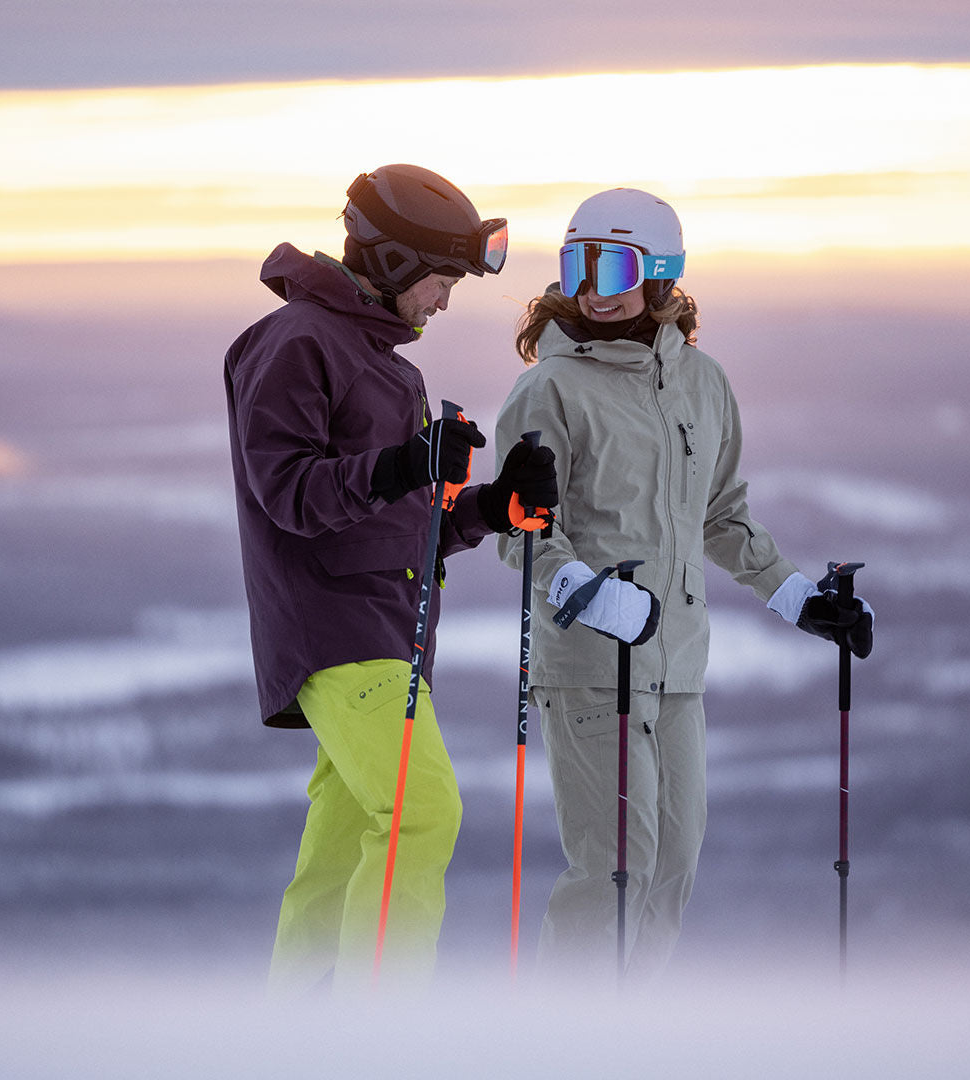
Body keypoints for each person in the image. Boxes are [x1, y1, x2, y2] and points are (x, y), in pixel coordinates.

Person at [493, 187, 872, 983]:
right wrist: (583, 593)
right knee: (613, 868)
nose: (594, 287)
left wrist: (800, 598)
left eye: (614, 264)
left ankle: (632, 1038)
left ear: (662, 275)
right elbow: (522, 529)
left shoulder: (702, 383)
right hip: (594, 664)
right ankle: (561, 1043)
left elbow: (723, 516)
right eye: (578, 265)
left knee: (672, 868)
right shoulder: (549, 390)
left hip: (677, 665)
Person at [224, 163, 557, 992]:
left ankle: (295, 1034)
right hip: (336, 631)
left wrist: (494, 507)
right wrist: (408, 462)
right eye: (443, 279)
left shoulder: (378, 358)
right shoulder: (299, 341)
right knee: (422, 812)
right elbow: (290, 494)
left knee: (340, 852)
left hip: (381, 628)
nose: (446, 301)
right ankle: (385, 1032)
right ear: (400, 263)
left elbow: (395, 523)